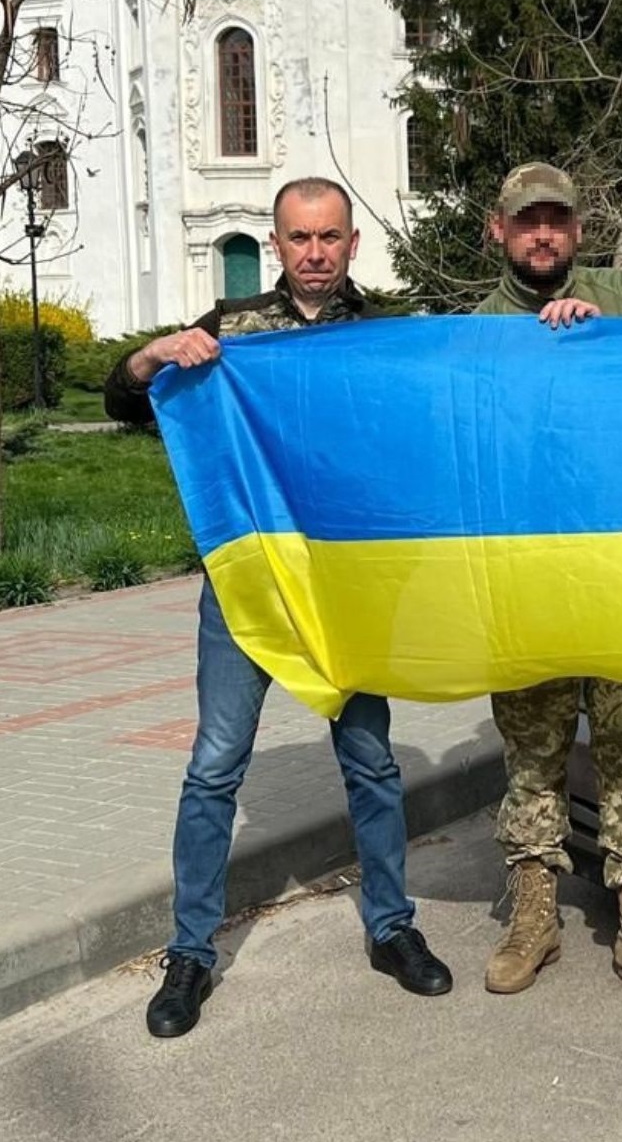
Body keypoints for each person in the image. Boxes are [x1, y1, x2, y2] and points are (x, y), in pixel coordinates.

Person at [104, 178, 452, 1039]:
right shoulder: (232, 332)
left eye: (330, 236)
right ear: (276, 240)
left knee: (370, 761)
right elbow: (124, 397)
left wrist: (562, 333)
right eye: (299, 237)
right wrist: (155, 355)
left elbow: (451, 411)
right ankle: (190, 951)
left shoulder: (382, 337)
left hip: (348, 594)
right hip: (250, 592)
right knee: (216, 764)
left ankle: (391, 924)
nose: (315, 252)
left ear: (352, 243)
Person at [474, 162, 622, 1016]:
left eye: (557, 222)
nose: (543, 235)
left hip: (620, 574)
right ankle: (534, 912)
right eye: (527, 221)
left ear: (577, 230)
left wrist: (606, 338)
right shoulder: (476, 327)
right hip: (525, 579)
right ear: (498, 229)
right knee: (530, 752)